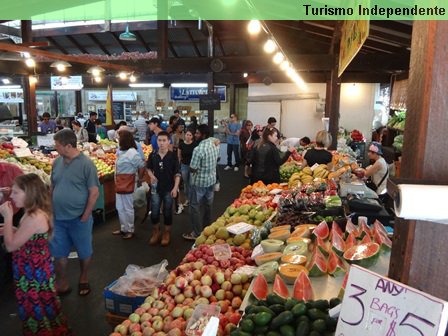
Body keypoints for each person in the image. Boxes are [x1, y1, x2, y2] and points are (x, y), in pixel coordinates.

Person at [0, 174, 72, 335]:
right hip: (33, 269)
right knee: (44, 307)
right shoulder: (31, 212)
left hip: (33, 273)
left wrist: (8, 217)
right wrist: (12, 230)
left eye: (16, 192)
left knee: (35, 308)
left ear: (30, 193)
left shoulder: (34, 216)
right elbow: (28, 237)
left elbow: (11, 246)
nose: (11, 196)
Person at [50, 129, 100, 296]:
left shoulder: (86, 164)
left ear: (68, 146)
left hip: (79, 218)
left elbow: (94, 192)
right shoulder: (56, 162)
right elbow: (53, 186)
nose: (54, 147)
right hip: (58, 218)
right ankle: (62, 282)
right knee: (58, 252)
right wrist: (50, 209)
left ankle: (83, 277)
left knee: (84, 251)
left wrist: (85, 215)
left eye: (57, 145)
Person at [182, 124, 219, 240]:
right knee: (208, 206)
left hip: (198, 182)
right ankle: (207, 229)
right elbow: (217, 141)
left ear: (203, 135)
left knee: (194, 207)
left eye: (197, 133)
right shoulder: (213, 143)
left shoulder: (198, 149)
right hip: (211, 180)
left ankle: (197, 233)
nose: (195, 135)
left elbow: (193, 167)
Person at [146, 131, 181, 246]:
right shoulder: (153, 155)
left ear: (169, 141)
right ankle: (156, 231)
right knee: (155, 211)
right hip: (156, 188)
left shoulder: (173, 156)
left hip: (169, 188)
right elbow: (148, 168)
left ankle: (166, 232)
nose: (161, 143)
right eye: (159, 140)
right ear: (157, 141)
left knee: (167, 211)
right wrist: (151, 176)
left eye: (164, 140)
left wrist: (175, 188)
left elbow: (177, 174)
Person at [112, 130, 145, 239]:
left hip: (129, 182)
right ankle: (123, 228)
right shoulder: (121, 151)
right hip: (119, 183)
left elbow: (141, 165)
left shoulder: (132, 152)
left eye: (119, 137)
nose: (117, 139)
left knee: (128, 207)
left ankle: (130, 229)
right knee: (120, 207)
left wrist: (139, 178)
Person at [177, 129, 198, 209]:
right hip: (184, 165)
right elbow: (179, 156)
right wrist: (179, 165)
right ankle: (187, 199)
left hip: (193, 166)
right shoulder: (181, 144)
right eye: (187, 135)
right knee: (186, 183)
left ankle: (192, 199)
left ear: (192, 137)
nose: (188, 136)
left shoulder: (195, 144)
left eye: (190, 135)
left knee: (192, 183)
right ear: (185, 135)